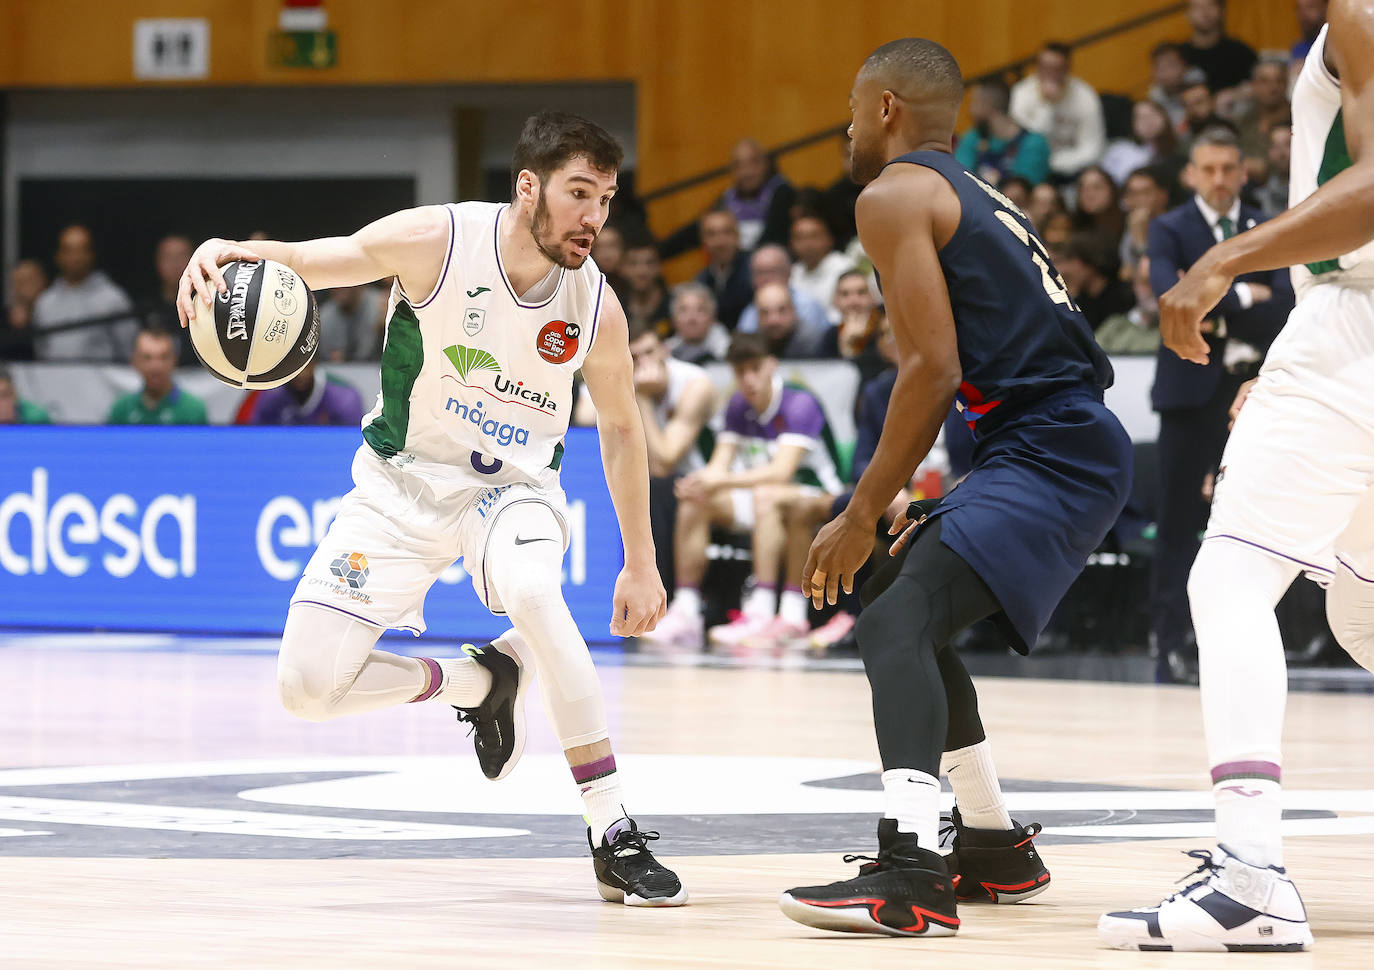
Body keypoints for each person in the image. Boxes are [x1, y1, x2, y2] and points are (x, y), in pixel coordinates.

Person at [175, 110, 685, 906]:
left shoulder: (597, 305)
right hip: (396, 489)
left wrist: (642, 560)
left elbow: (621, 428)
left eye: (607, 198)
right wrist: (226, 253)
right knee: (308, 688)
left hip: (510, 492)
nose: (595, 217)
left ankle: (612, 829)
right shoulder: (438, 242)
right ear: (528, 188)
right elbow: (317, 261)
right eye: (579, 192)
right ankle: (475, 685)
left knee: (534, 596)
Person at [780, 37, 1131, 939]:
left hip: (1049, 446)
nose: (849, 127)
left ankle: (910, 870)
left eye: (855, 108)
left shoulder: (892, 194)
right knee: (904, 598)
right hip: (1046, 440)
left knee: (892, 621)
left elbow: (931, 371)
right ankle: (992, 846)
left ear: (887, 108)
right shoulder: (974, 193)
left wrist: (860, 511)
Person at [1100, 5, 1374, 950]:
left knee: (1229, 579)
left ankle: (1253, 874)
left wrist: (1224, 255)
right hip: (1346, 340)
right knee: (1362, 613)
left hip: (1358, 322)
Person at [1145, 127, 1293, 686]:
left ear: (1243, 170)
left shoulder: (1266, 225)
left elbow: (1283, 305)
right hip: (1189, 392)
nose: (1219, 179)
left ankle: (1250, 644)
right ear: (1191, 174)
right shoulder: (1168, 227)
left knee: (1256, 519)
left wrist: (1211, 293)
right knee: (1179, 523)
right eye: (1208, 169)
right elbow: (1172, 299)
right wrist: (1243, 295)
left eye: (1228, 168)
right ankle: (1169, 643)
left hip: (1254, 391)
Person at [643, 332, 843, 652]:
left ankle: (773, 613)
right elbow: (719, 465)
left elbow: (781, 472)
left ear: (772, 365)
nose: (748, 379)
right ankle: (687, 609)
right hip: (765, 499)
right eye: (740, 371)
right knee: (696, 498)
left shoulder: (799, 402)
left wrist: (717, 481)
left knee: (767, 494)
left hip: (818, 495)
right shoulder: (738, 404)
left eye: (755, 368)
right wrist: (698, 481)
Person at [628, 321, 717, 594]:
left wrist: (640, 398)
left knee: (655, 487)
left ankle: (661, 594)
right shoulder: (624, 378)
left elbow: (664, 462)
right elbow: (584, 417)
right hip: (662, 483)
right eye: (635, 357)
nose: (644, 363)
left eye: (649, 352)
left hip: (701, 480)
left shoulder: (694, 384)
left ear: (665, 350)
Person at [32, 224, 137, 362]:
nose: (75, 257)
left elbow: (129, 348)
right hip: (53, 379)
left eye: (81, 250)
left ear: (91, 254)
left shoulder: (113, 299)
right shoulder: (45, 302)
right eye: (68, 250)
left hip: (102, 381)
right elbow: (40, 349)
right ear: (58, 256)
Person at [1009, 41, 1107, 182]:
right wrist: (1047, 105)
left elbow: (1092, 148)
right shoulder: (1022, 93)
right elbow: (1024, 140)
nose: (1050, 74)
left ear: (1067, 69)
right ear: (1037, 67)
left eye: (1057, 68)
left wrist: (1055, 164)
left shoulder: (1085, 96)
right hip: (1031, 167)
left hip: (1072, 171)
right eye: (1044, 67)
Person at [954, 78, 1051, 185]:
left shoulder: (1033, 143)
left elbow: (1023, 188)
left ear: (988, 105)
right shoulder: (972, 138)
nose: (971, 110)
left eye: (975, 103)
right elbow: (959, 178)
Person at [106, 327, 209, 426]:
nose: (156, 366)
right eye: (147, 357)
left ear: (174, 360)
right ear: (135, 361)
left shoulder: (193, 409)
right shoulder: (121, 410)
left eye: (163, 357)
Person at [735, 244, 831, 335]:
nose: (766, 278)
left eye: (772, 271)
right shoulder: (750, 312)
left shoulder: (806, 306)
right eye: (760, 273)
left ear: (788, 273)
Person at [249, 359, 366, 425]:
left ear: (315, 364)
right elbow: (257, 432)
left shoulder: (344, 398)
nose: (300, 375)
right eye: (294, 368)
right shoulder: (271, 394)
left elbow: (353, 439)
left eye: (305, 366)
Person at [1180, 0, 1258, 95]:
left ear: (1222, 10)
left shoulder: (1240, 52)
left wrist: (1236, 94)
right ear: (1187, 14)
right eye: (1197, 7)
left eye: (1210, 5)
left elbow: (1260, 84)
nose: (1205, 12)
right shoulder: (1179, 56)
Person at [693, 209, 753, 330]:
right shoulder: (702, 280)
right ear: (703, 241)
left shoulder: (754, 268)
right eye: (712, 234)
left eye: (726, 232)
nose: (720, 241)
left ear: (737, 236)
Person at [789, 212, 854, 316]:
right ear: (791, 243)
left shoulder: (844, 267)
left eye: (814, 236)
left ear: (829, 239)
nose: (807, 244)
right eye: (800, 238)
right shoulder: (793, 272)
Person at [146, 234, 196, 364]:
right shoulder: (146, 307)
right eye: (168, 257)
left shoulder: (207, 303)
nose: (175, 263)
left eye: (181, 256)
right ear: (157, 262)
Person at [753, 282, 830, 359]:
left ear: (793, 310)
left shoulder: (814, 341)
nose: (774, 320)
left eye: (781, 310)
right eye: (765, 312)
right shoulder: (754, 342)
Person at [664, 281, 730, 364]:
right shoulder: (665, 351)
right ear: (673, 319)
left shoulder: (729, 352)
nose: (692, 318)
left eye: (700, 310)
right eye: (683, 310)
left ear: (713, 318)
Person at [317, 283, 386, 362]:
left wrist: (383, 331)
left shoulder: (381, 305)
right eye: (335, 282)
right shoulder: (324, 317)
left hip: (377, 369)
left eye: (345, 281)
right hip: (343, 371)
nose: (340, 287)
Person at [618, 238, 671, 335]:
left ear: (659, 267)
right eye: (633, 263)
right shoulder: (615, 307)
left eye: (649, 263)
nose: (641, 271)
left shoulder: (674, 305)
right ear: (622, 268)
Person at [2, 259, 47, 361]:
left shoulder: (53, 311)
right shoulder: (4, 318)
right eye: (18, 282)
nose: (23, 287)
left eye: (29, 280)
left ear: (43, 282)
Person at [1149, 42, 1192, 129]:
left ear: (1184, 66)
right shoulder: (1153, 102)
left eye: (1171, 65)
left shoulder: (1198, 86)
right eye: (1160, 67)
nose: (1167, 73)